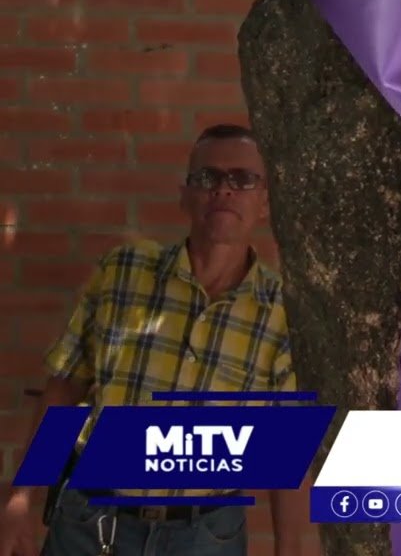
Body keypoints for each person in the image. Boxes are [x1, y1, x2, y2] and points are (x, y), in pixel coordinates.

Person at [0, 125, 310, 556]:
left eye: (242, 179)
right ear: (184, 195)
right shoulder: (124, 272)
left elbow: (285, 446)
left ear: (264, 203)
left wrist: (290, 548)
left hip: (205, 536)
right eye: (207, 177)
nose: (223, 190)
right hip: (92, 524)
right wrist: (22, 497)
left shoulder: (282, 311)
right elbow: (66, 387)